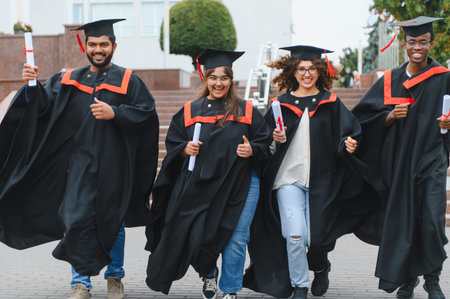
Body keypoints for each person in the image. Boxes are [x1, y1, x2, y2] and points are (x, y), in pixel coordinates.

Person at [0, 19, 159, 299]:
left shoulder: (128, 80)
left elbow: (146, 114)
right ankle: (80, 283)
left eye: (103, 44)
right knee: (74, 220)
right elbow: (43, 109)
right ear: (85, 46)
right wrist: (32, 85)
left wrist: (117, 114)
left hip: (115, 166)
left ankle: (114, 277)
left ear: (113, 46)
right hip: (79, 166)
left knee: (114, 222)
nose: (98, 49)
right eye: (93, 44)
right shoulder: (68, 80)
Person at [243, 45, 381, 299]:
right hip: (288, 181)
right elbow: (263, 144)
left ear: (319, 72)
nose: (307, 74)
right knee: (295, 235)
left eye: (312, 69)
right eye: (301, 69)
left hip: (323, 180)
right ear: (293, 72)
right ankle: (299, 286)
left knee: (317, 238)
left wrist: (349, 143)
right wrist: (275, 139)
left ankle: (320, 266)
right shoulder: (280, 105)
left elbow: (348, 134)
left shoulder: (330, 102)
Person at [145, 49, 271, 299]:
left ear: (231, 80)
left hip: (242, 182)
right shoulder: (191, 110)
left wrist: (252, 149)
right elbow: (174, 143)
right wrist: (184, 150)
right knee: (201, 234)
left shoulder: (245, 110)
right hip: (202, 184)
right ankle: (209, 273)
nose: (218, 83)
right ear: (206, 79)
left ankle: (230, 289)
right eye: (213, 77)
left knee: (236, 238)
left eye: (224, 78)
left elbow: (265, 144)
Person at [352, 16, 449, 299]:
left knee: (431, 222)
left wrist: (448, 124)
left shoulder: (444, 78)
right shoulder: (390, 80)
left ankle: (432, 279)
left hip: (431, 162)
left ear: (431, 43)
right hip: (399, 166)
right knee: (405, 222)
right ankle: (409, 279)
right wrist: (388, 117)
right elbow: (362, 118)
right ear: (403, 44)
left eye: (423, 42)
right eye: (412, 42)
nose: (417, 47)